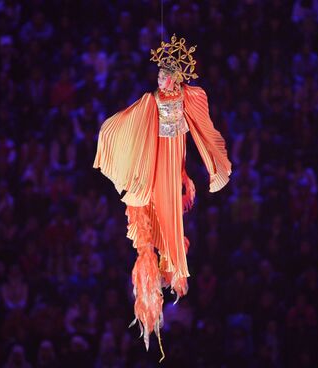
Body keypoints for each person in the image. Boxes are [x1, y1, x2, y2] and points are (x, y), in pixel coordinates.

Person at [93, 34, 231, 356]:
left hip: (171, 168)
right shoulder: (152, 101)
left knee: (169, 225)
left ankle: (168, 269)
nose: (161, 78)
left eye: (165, 73)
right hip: (153, 163)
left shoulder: (188, 98)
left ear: (177, 75)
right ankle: (149, 277)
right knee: (144, 216)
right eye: (159, 73)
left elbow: (191, 136)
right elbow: (137, 125)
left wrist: (188, 173)